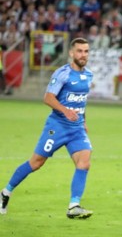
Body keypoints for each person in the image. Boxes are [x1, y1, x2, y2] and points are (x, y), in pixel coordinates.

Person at [1, 38, 94, 219]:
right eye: (80, 51)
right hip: (57, 127)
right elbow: (48, 98)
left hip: (76, 129)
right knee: (36, 163)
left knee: (84, 162)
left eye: (86, 51)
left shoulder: (89, 74)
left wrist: (83, 120)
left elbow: (82, 100)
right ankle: (5, 192)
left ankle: (74, 205)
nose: (84, 55)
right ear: (71, 53)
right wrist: (65, 111)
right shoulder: (62, 74)